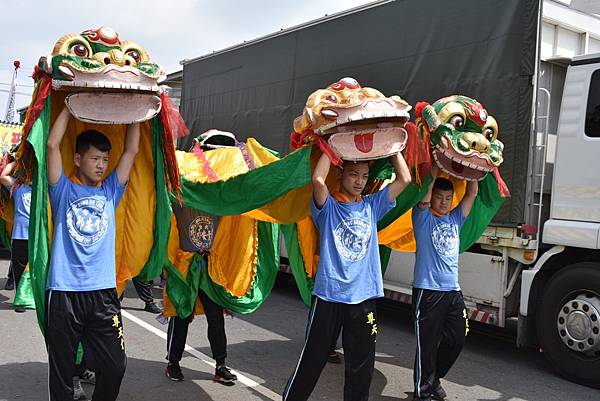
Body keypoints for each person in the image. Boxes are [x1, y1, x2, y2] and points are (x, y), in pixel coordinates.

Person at [283, 151, 411, 401]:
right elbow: (319, 181)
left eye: (364, 176)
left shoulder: (372, 205)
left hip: (363, 298)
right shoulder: (328, 208)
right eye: (353, 174)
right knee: (312, 359)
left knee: (361, 368)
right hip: (329, 295)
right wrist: (332, 149)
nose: (359, 181)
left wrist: (393, 148)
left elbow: (404, 180)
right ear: (341, 174)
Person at [44, 106, 140, 401]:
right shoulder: (62, 190)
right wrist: (69, 105)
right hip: (63, 293)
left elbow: (132, 151)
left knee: (115, 366)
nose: (102, 165)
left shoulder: (110, 191)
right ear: (77, 158)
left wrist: (138, 108)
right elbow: (51, 145)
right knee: (61, 371)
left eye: (105, 159)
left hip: (103, 294)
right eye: (95, 158)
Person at [411, 167, 478, 401]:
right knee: (427, 347)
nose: (443, 202)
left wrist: (475, 167)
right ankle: (423, 391)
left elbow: (471, 193)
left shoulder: (455, 219)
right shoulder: (422, 217)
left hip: (453, 292)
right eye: (439, 197)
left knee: (457, 338)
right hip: (428, 291)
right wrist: (438, 166)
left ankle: (433, 378)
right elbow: (425, 194)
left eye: (448, 198)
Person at [165, 202, 237, 384]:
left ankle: (220, 365)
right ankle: (173, 362)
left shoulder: (217, 201)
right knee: (181, 314)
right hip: (185, 267)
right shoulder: (182, 199)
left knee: (216, 318)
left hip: (209, 268)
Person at [0, 157, 31, 313]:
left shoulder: (43, 189)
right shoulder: (18, 187)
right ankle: (20, 299)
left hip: (36, 237)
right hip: (19, 235)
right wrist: (17, 160)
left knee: (36, 269)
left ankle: (34, 298)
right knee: (19, 269)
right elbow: (3, 176)